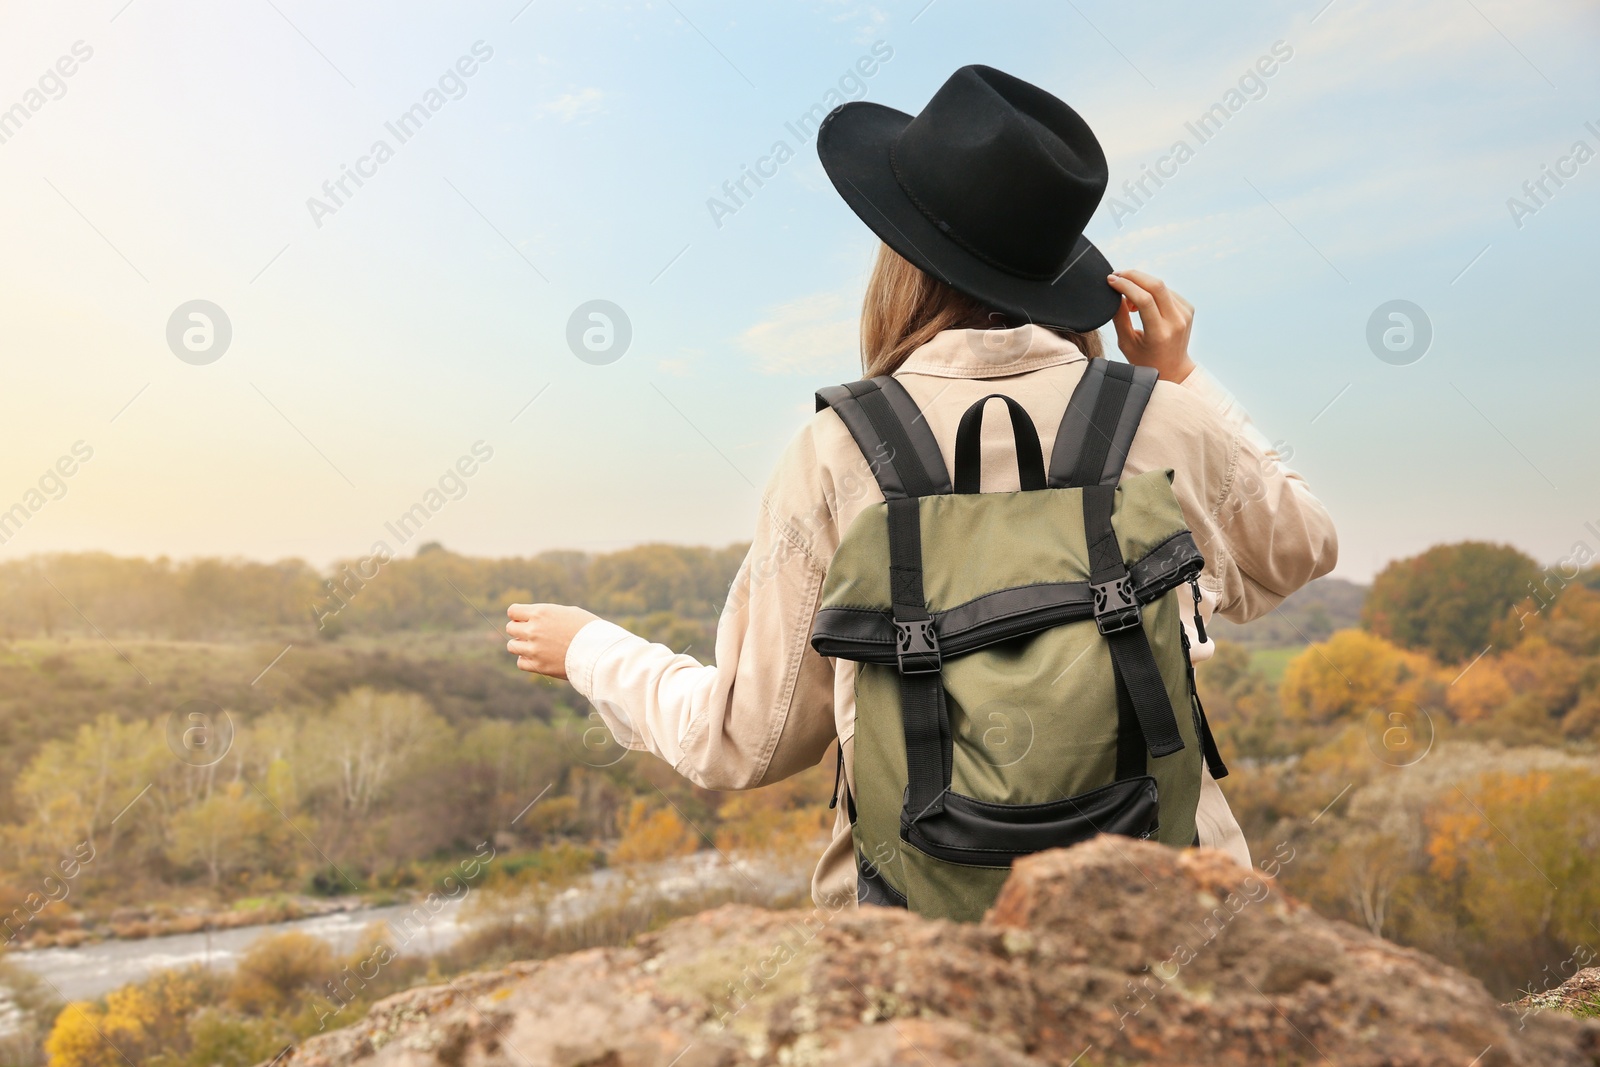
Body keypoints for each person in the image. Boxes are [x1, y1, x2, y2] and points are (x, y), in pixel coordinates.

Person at [506, 65, 1337, 909]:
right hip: (1170, 911)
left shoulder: (838, 451)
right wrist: (1180, 375)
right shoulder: (1160, 419)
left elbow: (745, 739)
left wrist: (589, 651)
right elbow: (1302, 544)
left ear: (905, 263)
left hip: (915, 941)